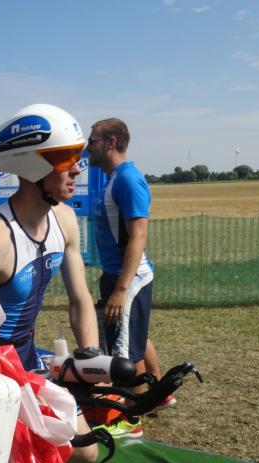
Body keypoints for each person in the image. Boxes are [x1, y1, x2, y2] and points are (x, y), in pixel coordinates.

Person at [0, 103, 100, 463]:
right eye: (66, 158)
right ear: (34, 166)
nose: (77, 168)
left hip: (28, 356)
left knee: (86, 450)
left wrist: (91, 357)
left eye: (78, 157)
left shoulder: (65, 220)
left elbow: (80, 299)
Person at [86, 117, 171, 437]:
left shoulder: (128, 180)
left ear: (110, 143)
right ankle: (158, 395)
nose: (87, 148)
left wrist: (121, 290)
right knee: (135, 337)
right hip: (118, 275)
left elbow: (138, 236)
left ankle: (131, 420)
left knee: (123, 353)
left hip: (128, 278)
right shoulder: (113, 178)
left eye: (92, 141)